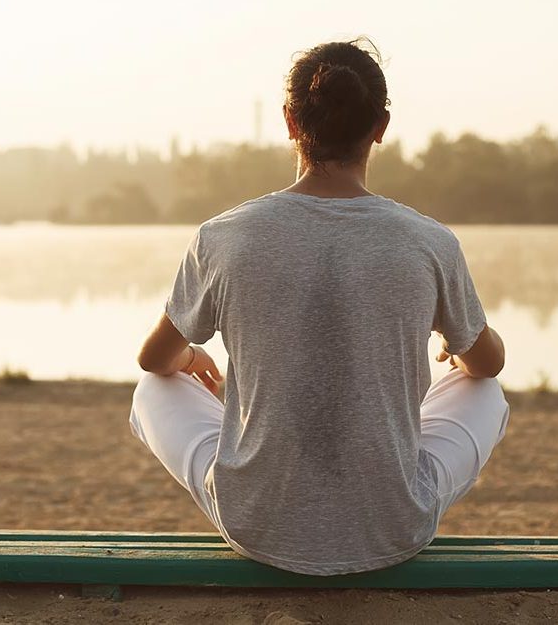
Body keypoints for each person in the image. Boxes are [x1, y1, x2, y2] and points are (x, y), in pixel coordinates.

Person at [128, 38, 509, 577]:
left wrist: (190, 358)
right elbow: (488, 365)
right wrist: (456, 341)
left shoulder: (224, 237)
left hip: (257, 524)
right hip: (393, 525)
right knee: (483, 388)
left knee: (153, 389)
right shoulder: (430, 242)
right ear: (380, 126)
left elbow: (153, 360)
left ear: (289, 121)